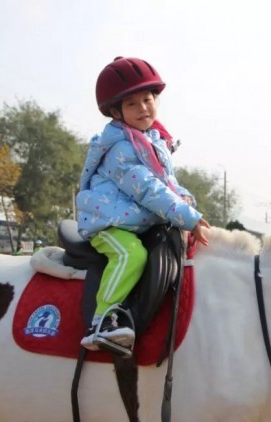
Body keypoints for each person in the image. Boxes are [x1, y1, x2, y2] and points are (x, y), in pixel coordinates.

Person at [76, 56, 210, 352]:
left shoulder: (152, 141)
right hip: (107, 222)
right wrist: (188, 218)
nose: (143, 108)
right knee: (131, 255)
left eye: (147, 99)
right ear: (116, 111)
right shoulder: (121, 148)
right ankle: (102, 321)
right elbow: (148, 190)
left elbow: (169, 184)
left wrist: (189, 206)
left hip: (133, 220)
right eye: (132, 104)